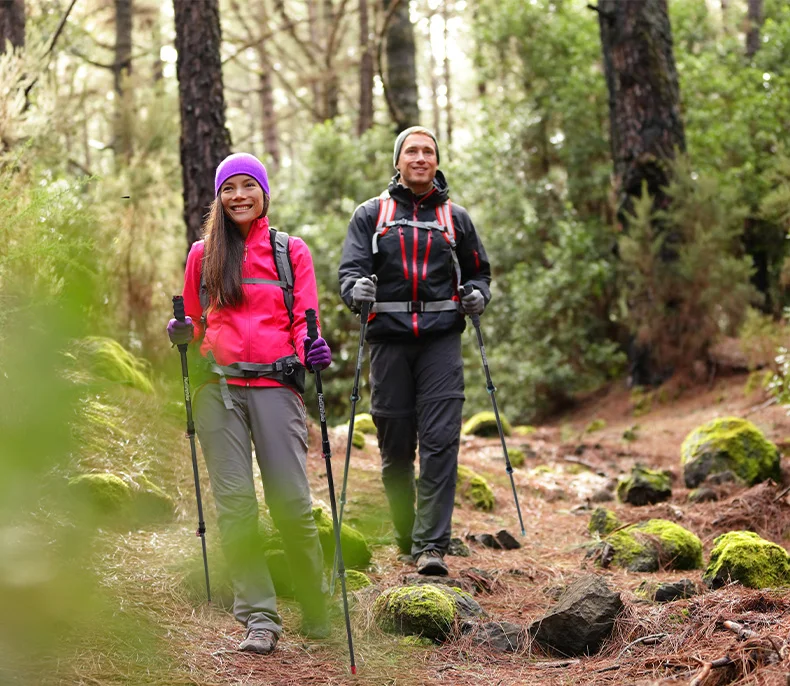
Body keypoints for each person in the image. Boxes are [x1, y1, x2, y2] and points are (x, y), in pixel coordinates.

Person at [167, 153, 332, 655]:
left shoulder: (290, 251)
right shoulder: (203, 254)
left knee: (292, 504)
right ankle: (259, 617)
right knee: (235, 506)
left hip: (276, 387)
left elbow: (306, 321)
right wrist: (181, 333)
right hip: (218, 389)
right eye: (229, 188)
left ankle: (314, 599)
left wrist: (313, 348)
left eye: (248, 186)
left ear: (263, 193)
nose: (239, 195)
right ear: (219, 197)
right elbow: (192, 321)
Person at [337, 127, 491, 576]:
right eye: (412, 151)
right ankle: (407, 535)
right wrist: (356, 289)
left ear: (437, 162)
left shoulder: (455, 218)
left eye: (428, 151)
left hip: (441, 341)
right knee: (397, 448)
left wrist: (478, 294)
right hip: (388, 341)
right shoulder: (371, 215)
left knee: (441, 442)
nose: (421, 157)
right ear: (398, 161)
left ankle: (431, 547)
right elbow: (349, 272)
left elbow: (480, 272)